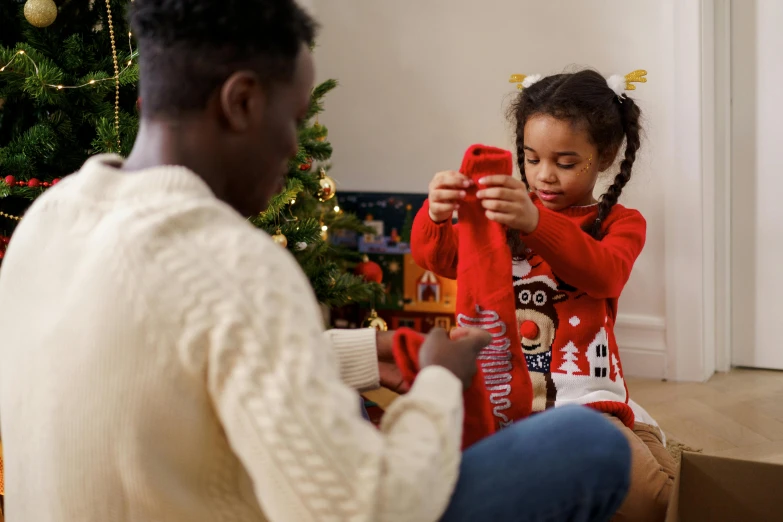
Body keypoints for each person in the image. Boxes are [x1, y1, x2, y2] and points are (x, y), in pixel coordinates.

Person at [0, 2, 631, 521]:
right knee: (588, 446)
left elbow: (171, 353)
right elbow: (369, 510)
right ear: (242, 102)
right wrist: (437, 384)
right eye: (294, 119)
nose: (295, 147)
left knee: (350, 403)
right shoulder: (235, 265)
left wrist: (358, 353)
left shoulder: (51, 219)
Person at [413, 69, 676, 521]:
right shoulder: (505, 215)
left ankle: (641, 440)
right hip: (498, 399)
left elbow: (605, 274)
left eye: (566, 162)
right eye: (532, 160)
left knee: (659, 500)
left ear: (605, 155)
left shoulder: (621, 222)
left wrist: (536, 223)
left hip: (584, 401)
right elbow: (438, 259)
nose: (544, 176)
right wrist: (436, 214)